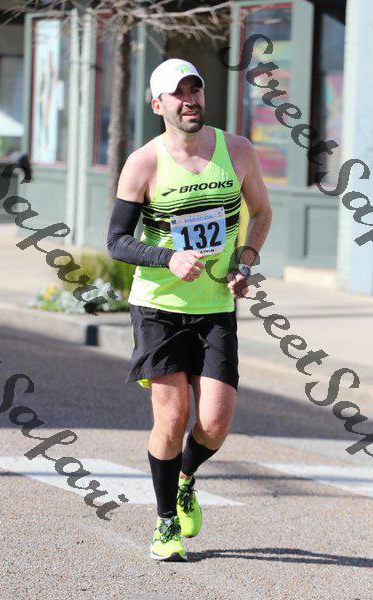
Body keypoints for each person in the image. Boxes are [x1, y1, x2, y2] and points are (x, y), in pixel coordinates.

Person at [107, 58, 272, 561]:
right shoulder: (143, 163)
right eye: (177, 94)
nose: (189, 101)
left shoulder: (237, 151)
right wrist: (168, 258)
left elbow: (262, 212)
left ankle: (185, 478)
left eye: (194, 90)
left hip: (215, 306)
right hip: (157, 307)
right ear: (158, 105)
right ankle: (164, 525)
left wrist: (245, 259)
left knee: (215, 422)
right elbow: (116, 240)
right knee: (174, 415)